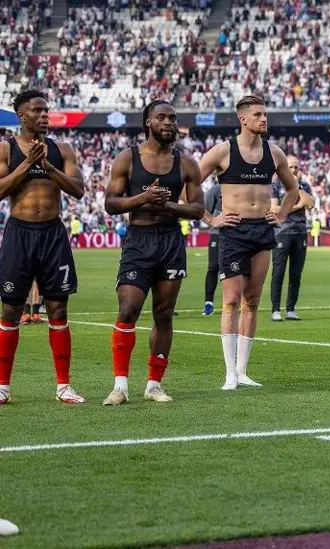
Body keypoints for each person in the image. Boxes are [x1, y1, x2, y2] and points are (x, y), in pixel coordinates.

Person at [102, 100, 204, 405]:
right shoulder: (128, 158)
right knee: (128, 308)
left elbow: (198, 209)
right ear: (148, 122)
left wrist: (168, 204)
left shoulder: (186, 163)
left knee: (163, 313)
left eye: (172, 118)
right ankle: (120, 386)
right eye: (162, 117)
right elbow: (110, 203)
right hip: (139, 239)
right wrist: (144, 197)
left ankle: (154, 384)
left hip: (171, 241)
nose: (169, 123)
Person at [198, 95, 301, 390]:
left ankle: (243, 371)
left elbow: (292, 190)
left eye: (265, 114)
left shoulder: (275, 152)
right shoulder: (223, 151)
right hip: (233, 231)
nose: (264, 119)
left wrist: (280, 215)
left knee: (252, 301)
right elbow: (188, 186)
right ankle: (229, 373)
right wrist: (210, 219)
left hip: (262, 230)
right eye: (258, 115)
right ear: (243, 119)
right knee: (230, 301)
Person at [0, 89, 86, 405]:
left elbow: (78, 190)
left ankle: (64, 386)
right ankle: (2, 387)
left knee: (58, 309)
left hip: (53, 234)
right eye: (38, 111)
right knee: (10, 309)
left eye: (46, 111)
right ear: (22, 116)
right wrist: (27, 165)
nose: (44, 116)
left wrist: (47, 166)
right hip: (19, 233)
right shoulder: (5, 149)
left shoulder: (61, 149)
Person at [270, 155, 315, 322]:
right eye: (290, 167)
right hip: (282, 232)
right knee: (278, 272)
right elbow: (274, 209)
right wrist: (297, 205)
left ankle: (290, 309)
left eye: (296, 167)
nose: (294, 170)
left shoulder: (304, 185)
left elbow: (310, 204)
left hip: (300, 232)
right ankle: (275, 309)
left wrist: (297, 187)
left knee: (296, 274)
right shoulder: (276, 185)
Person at [202, 181, 221, 315]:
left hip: (238, 235)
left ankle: (234, 302)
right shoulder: (216, 189)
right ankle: (208, 303)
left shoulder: (241, 186)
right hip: (218, 233)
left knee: (236, 269)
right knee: (213, 267)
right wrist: (214, 221)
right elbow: (206, 210)